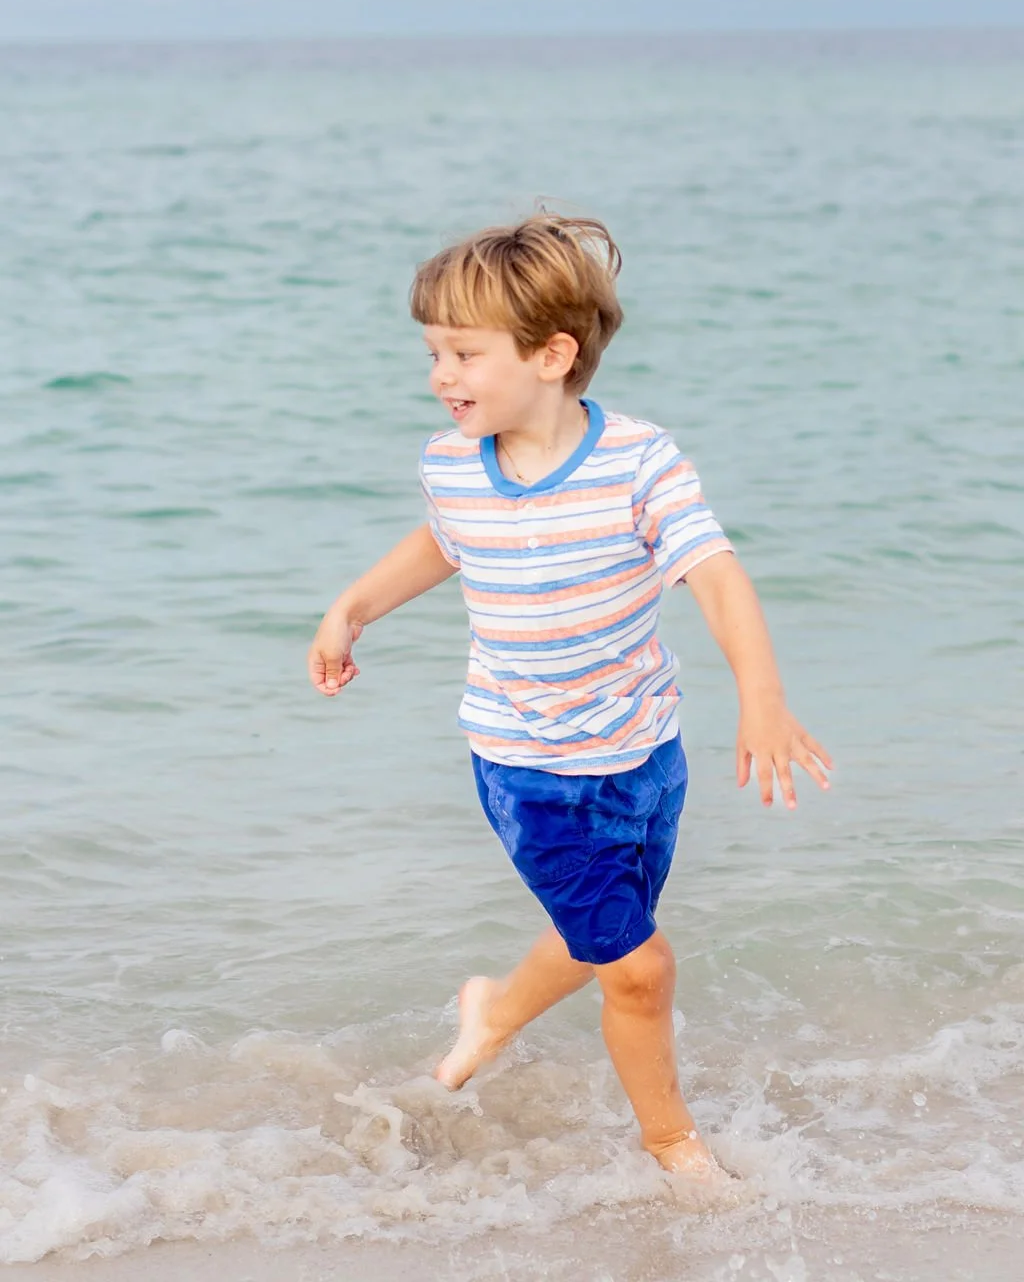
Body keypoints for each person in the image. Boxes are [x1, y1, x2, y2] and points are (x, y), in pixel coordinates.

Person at [307, 214, 832, 1177]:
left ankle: (493, 1012)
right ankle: (673, 1144)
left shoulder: (639, 463)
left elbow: (714, 572)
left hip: (644, 753)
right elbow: (444, 539)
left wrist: (761, 696)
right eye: (433, 351)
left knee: (600, 936)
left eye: (464, 352)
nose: (440, 375)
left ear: (553, 354)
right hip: (527, 765)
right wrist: (353, 607)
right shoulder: (453, 464)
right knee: (639, 966)